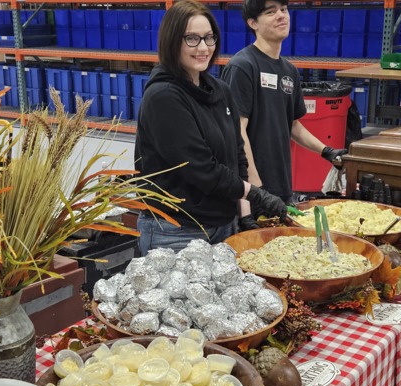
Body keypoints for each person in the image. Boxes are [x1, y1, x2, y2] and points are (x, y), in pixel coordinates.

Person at [134, 0, 287, 256]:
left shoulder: (220, 91)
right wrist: (256, 195)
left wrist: (245, 214)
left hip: (224, 225)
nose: (203, 47)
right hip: (177, 233)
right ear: (172, 41)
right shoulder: (164, 97)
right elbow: (201, 169)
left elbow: (236, 156)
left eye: (209, 38)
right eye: (191, 39)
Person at [221, 0, 346, 230]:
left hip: (282, 187)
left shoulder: (288, 70)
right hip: (253, 192)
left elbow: (293, 125)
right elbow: (236, 132)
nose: (281, 16)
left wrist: (326, 151)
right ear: (253, 23)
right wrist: (254, 185)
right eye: (270, 12)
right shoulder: (243, 66)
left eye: (284, 10)